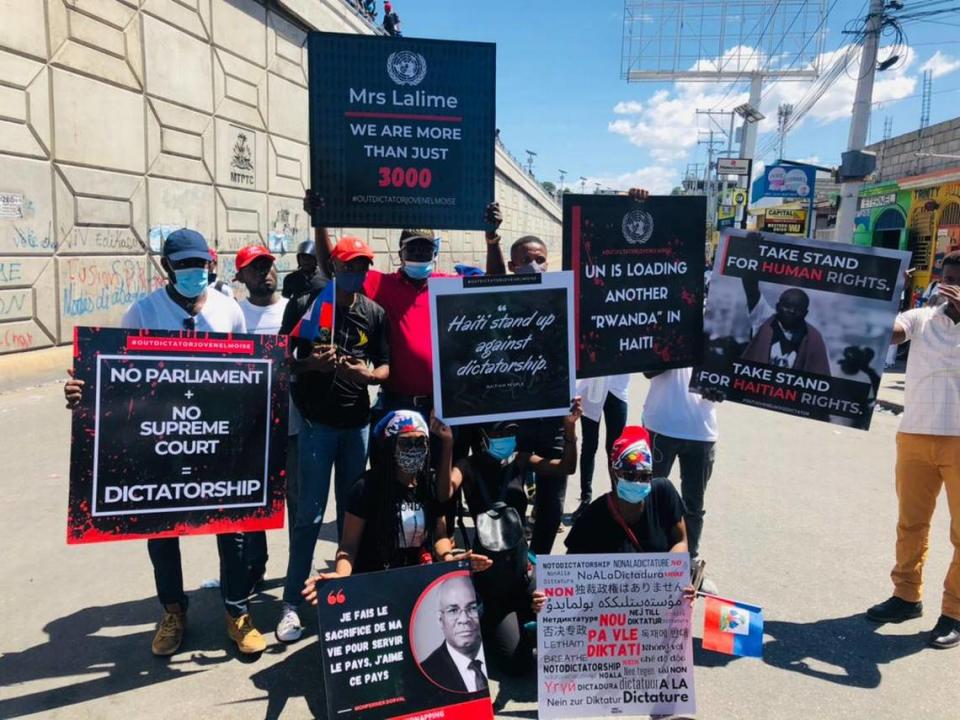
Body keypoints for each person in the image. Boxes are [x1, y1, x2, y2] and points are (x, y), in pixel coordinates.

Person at [63, 229, 266, 656]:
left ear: (211, 264)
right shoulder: (142, 313)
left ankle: (236, 609)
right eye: (184, 265)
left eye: (200, 264)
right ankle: (173, 610)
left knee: (232, 529)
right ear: (166, 267)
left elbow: (251, 373)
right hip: (161, 441)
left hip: (218, 443)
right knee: (161, 529)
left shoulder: (230, 311)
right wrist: (84, 393)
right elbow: (115, 378)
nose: (194, 272)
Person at [278, 236, 390, 643]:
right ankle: (291, 603)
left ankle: (348, 596)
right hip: (316, 426)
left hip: (357, 424)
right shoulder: (310, 305)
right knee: (308, 516)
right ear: (335, 268)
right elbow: (282, 358)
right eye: (349, 267)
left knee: (351, 515)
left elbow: (385, 368)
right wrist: (311, 363)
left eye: (363, 267)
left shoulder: (374, 312)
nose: (357, 274)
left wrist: (368, 375)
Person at [310, 195, 501, 428]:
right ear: (400, 254)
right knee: (396, 464)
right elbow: (333, 269)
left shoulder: (449, 286)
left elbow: (495, 284)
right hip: (397, 403)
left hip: (444, 404)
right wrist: (320, 222)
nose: (419, 253)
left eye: (426, 248)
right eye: (412, 247)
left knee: (444, 463)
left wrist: (492, 239)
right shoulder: (380, 285)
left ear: (435, 254)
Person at [866, 251, 960, 650]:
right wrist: (894, 294)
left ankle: (954, 612)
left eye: (956, 279)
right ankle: (906, 596)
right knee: (911, 524)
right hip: (915, 436)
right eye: (945, 277)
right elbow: (887, 332)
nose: (948, 286)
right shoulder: (922, 319)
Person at [299, 411, 489, 596]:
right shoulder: (366, 487)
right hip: (375, 582)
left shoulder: (429, 484)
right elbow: (349, 546)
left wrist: (450, 559)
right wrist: (340, 578)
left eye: (420, 442)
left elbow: (439, 536)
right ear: (390, 446)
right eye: (406, 442)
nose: (413, 448)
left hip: (420, 581)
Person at [483, 209, 582, 556]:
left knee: (552, 503)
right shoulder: (504, 303)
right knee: (509, 496)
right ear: (513, 267)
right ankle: (511, 565)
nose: (535, 265)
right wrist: (492, 239)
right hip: (513, 414)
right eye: (527, 260)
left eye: (540, 260)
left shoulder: (560, 299)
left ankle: (539, 566)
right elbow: (493, 281)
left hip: (555, 415)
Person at [532, 426, 695, 610]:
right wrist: (549, 599)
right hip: (609, 616)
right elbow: (570, 573)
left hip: (655, 610)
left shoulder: (664, 493)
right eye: (630, 475)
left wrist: (673, 577)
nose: (637, 482)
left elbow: (681, 541)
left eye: (645, 476)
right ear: (613, 472)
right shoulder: (593, 517)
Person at [433, 417, 536, 675]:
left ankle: (525, 619)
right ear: (483, 436)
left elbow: (565, 467)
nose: (506, 437)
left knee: (561, 618)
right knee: (516, 664)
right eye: (499, 432)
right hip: (490, 577)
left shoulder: (520, 461)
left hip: (523, 568)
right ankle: (488, 623)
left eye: (512, 430)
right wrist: (447, 444)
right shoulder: (468, 465)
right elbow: (444, 493)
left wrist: (569, 428)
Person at [234, 244, 289, 588]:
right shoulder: (232, 315)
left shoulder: (294, 311)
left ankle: (297, 574)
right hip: (249, 426)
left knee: (296, 500)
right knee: (253, 500)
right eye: (255, 268)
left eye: (269, 265)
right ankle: (254, 567)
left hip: (294, 422)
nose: (265, 272)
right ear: (240, 276)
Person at [642, 368, 720, 588]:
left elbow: (728, 375)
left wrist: (723, 389)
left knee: (694, 505)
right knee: (646, 498)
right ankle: (643, 561)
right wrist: (675, 352)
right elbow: (648, 369)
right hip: (661, 424)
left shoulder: (717, 334)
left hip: (701, 429)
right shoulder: (667, 332)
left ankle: (689, 566)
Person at [741, 279, 830, 374]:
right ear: (778, 306)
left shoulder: (812, 337)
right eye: (787, 306)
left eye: (798, 309)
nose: (792, 311)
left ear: (805, 313)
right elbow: (751, 289)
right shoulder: (764, 319)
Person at [573, 375, 630, 519]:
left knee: (615, 448)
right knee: (589, 445)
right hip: (592, 387)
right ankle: (585, 498)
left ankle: (617, 497)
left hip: (617, 389)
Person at [420, 575, 488, 693]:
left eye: (472, 608)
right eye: (453, 610)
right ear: (440, 620)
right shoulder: (427, 671)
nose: (464, 619)